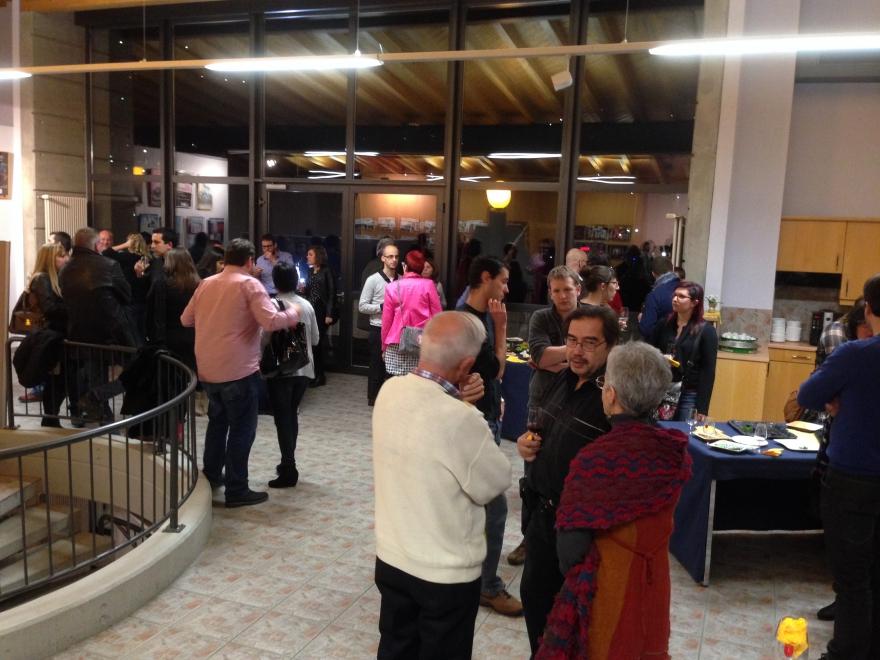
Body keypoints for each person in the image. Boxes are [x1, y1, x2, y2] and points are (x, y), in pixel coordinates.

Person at [536, 342, 691, 659]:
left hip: (611, 588)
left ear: (610, 394)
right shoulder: (673, 451)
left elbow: (570, 553)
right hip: (654, 580)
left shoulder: (596, 461)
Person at [373, 311, 511, 660]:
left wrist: (460, 404)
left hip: (392, 557)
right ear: (467, 365)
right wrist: (471, 411)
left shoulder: (390, 390)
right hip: (443, 575)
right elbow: (495, 482)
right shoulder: (461, 420)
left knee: (395, 648)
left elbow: (428, 425)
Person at [517, 305, 620, 653]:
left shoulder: (614, 399)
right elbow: (543, 431)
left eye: (589, 342)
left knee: (570, 623)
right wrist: (527, 444)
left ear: (610, 346)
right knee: (535, 600)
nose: (577, 351)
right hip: (542, 517)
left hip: (578, 530)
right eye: (572, 340)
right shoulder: (563, 379)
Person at [180, 238, 301, 508]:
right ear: (249, 261)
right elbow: (270, 320)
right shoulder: (249, 284)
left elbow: (186, 319)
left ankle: (212, 476)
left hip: (208, 369)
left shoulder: (206, 283)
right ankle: (237, 489)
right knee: (242, 430)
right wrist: (293, 313)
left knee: (217, 424)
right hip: (238, 370)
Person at [797, 274, 880, 660]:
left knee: (852, 577)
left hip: (854, 479)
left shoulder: (856, 354)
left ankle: (845, 653)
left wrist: (839, 396)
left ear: (869, 308)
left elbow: (808, 394)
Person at [457, 256, 523, 617]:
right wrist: (502, 328)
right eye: (503, 281)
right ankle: (487, 586)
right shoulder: (469, 323)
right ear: (486, 278)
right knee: (493, 507)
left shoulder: (475, 316)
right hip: (474, 425)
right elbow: (496, 370)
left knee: (480, 506)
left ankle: (474, 576)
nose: (507, 289)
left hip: (485, 417)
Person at [506, 265, 582, 568]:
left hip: (578, 402)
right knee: (533, 472)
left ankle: (568, 538)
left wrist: (554, 358)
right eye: (556, 290)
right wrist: (575, 352)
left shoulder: (590, 317)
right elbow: (538, 355)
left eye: (567, 289)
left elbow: (597, 361)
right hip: (541, 402)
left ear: (578, 289)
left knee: (571, 472)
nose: (562, 296)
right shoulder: (540, 317)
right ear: (549, 293)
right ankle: (529, 538)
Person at [264, 262, 319, 489]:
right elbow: (315, 339)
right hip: (304, 368)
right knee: (291, 415)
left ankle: (289, 466)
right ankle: (288, 462)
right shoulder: (306, 305)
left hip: (281, 370)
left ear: (275, 281)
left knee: (282, 418)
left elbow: (263, 339)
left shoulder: (271, 305)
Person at [648, 281, 717, 422]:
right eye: (674, 295)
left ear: (694, 303)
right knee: (658, 430)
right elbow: (648, 350)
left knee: (683, 432)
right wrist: (660, 358)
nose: (675, 299)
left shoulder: (707, 331)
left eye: (681, 296)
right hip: (662, 389)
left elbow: (708, 371)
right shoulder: (664, 324)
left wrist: (702, 408)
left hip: (689, 394)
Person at [26, 242, 70, 426]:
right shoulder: (42, 279)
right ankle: (50, 419)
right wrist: (73, 307)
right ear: (49, 259)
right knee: (55, 380)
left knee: (59, 380)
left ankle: (51, 418)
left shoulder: (54, 278)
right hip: (50, 335)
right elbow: (50, 309)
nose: (66, 259)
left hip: (56, 335)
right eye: (61, 255)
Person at [381, 249, 441, 377]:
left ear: (405, 266)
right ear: (421, 268)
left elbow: (386, 321)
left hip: (396, 342)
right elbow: (438, 317)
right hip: (422, 341)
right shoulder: (429, 285)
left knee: (398, 382)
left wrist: (384, 346)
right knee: (420, 381)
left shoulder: (392, 287)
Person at [145, 248, 199, 371]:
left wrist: (156, 339)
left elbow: (157, 314)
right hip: (194, 335)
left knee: (172, 374)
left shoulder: (162, 284)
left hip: (169, 337)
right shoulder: (199, 284)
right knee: (191, 372)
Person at [359, 241, 399, 405]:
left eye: (396, 256)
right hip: (378, 328)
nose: (394, 260)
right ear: (383, 258)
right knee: (376, 366)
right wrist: (382, 307)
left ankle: (389, 399)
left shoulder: (401, 279)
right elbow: (362, 306)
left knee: (394, 366)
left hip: (395, 330)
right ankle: (373, 398)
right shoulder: (373, 280)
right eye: (390, 256)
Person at [104, 233, 152, 345]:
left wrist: (125, 244)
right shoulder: (148, 258)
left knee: (132, 333)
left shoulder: (125, 257)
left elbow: (105, 253)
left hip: (130, 301)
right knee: (142, 331)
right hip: (144, 301)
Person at [304, 245, 335, 387]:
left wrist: (329, 314)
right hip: (310, 310)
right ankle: (313, 373)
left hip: (321, 311)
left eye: (310, 254)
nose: (307, 257)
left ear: (318, 256)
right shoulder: (310, 271)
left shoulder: (327, 271)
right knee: (311, 343)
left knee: (318, 343)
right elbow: (310, 291)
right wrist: (303, 289)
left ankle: (320, 375)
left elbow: (332, 294)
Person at [638, 256, 680, 339]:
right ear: (672, 269)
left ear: (653, 274)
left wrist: (641, 320)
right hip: (686, 342)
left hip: (663, 344)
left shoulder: (654, 296)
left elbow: (646, 330)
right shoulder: (686, 289)